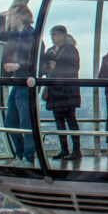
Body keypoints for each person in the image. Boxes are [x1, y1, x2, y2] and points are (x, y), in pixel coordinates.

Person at [0, 3, 38, 165]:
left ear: (20, 17)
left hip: (26, 83)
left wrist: (19, 66)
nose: (10, 20)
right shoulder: (14, 34)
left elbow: (37, 61)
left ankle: (28, 157)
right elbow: (0, 35)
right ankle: (21, 155)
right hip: (17, 81)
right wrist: (1, 17)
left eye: (12, 16)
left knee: (26, 122)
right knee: (11, 122)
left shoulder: (32, 35)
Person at [41, 25, 82, 161]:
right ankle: (64, 149)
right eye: (52, 34)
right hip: (56, 91)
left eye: (55, 34)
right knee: (59, 121)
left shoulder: (70, 50)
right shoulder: (50, 51)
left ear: (63, 35)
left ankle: (76, 150)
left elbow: (74, 68)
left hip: (67, 91)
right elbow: (43, 67)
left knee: (70, 120)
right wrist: (49, 68)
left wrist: (55, 67)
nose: (53, 37)